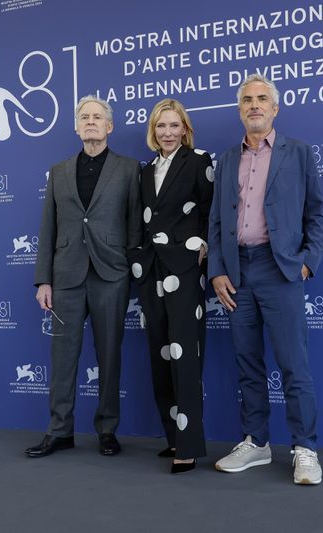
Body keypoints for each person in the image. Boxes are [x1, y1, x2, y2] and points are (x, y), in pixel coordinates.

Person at [207, 74, 323, 484]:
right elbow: (217, 221)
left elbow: (316, 214)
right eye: (247, 100)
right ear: (239, 109)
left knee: (294, 364)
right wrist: (218, 269)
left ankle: (305, 448)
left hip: (281, 270)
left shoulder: (299, 153)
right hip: (238, 271)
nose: (254, 105)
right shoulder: (225, 160)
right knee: (248, 363)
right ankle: (256, 442)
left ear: (275, 108)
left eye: (262, 99)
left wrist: (307, 262)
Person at [25, 95, 142, 458]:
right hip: (66, 276)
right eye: (84, 117)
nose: (90, 122)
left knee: (109, 355)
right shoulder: (59, 171)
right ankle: (59, 430)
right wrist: (43, 279)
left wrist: (132, 270)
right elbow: (48, 227)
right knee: (62, 357)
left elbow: (135, 224)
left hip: (111, 275)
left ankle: (107, 429)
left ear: (110, 126)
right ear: (76, 127)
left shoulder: (129, 169)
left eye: (97, 117)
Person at [130, 99, 214, 473]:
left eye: (173, 126)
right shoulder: (145, 171)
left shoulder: (198, 160)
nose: (167, 132)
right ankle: (173, 436)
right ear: (153, 130)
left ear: (185, 129)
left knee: (185, 355)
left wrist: (204, 248)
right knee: (160, 355)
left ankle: (189, 444)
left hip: (184, 268)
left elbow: (211, 210)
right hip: (151, 271)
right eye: (161, 126)